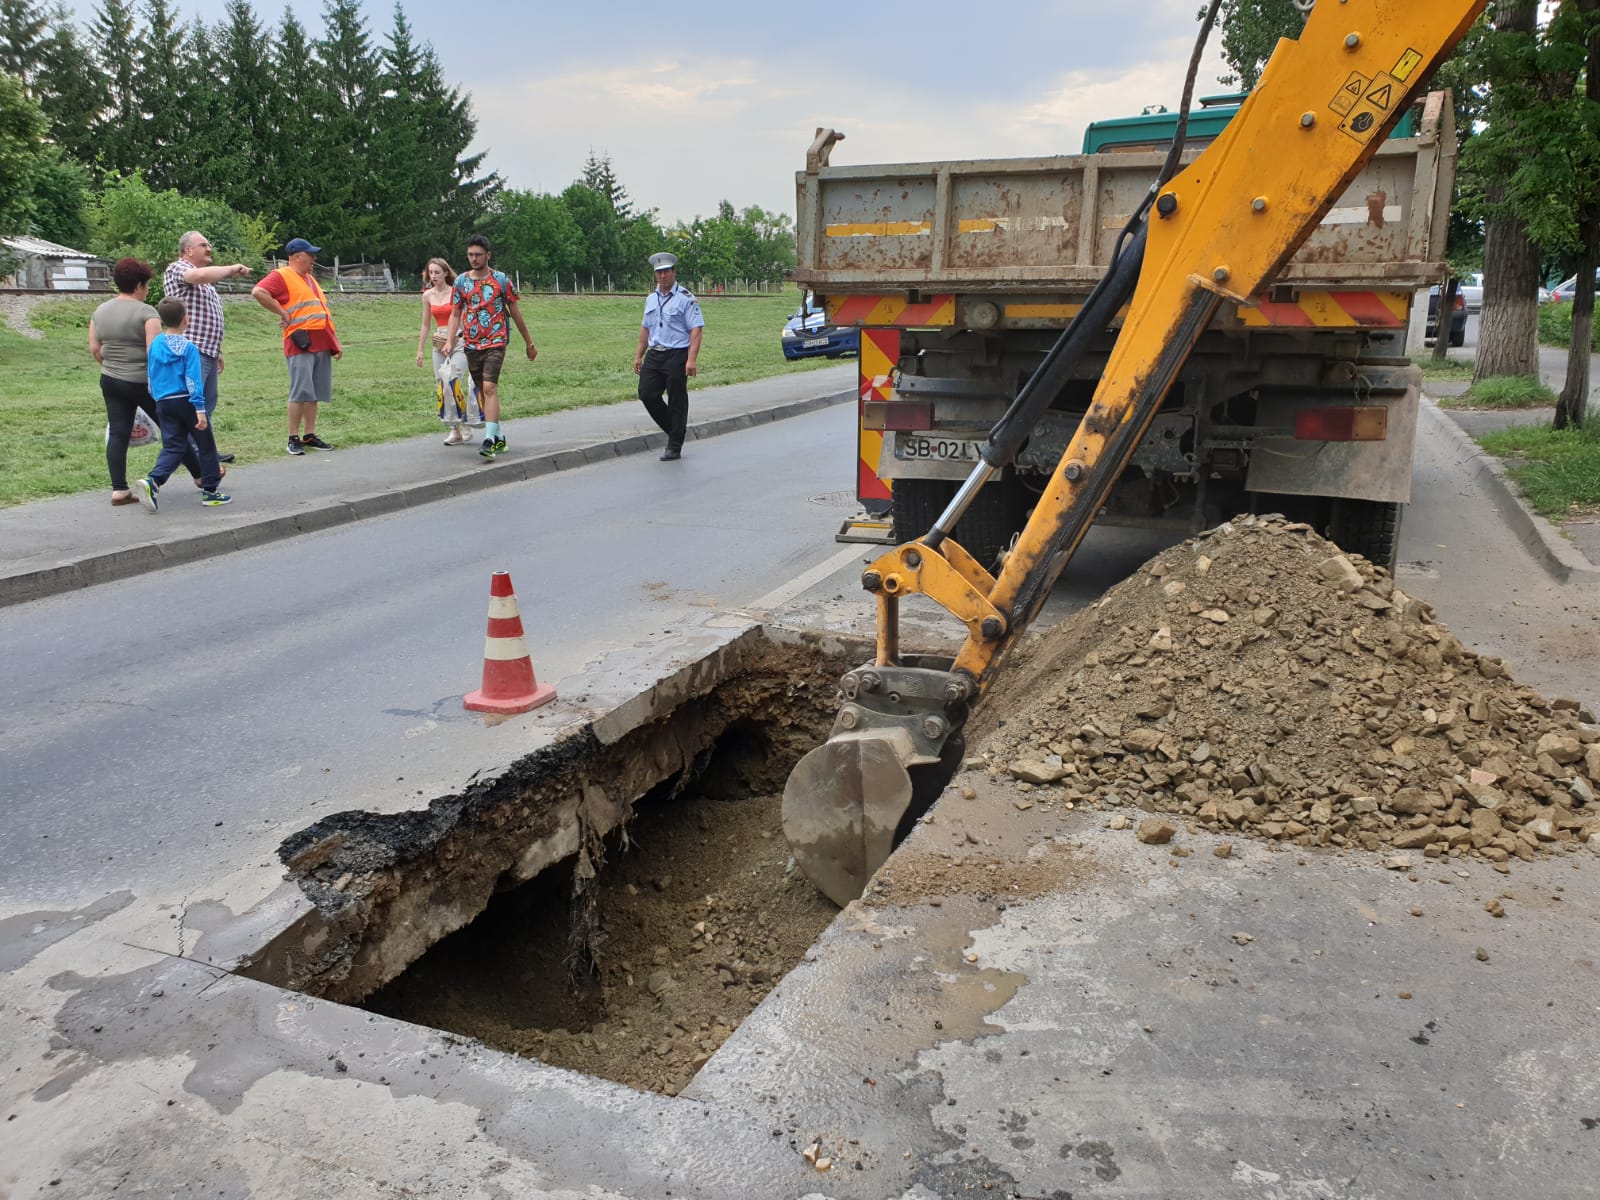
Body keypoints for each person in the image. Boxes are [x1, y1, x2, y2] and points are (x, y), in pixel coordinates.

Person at [444, 234, 536, 460]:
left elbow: (515, 312)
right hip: (471, 343)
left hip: (496, 341)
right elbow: (455, 313)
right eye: (470, 255)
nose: (473, 259)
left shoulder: (501, 280)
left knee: (489, 388)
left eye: (478, 255)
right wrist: (449, 340)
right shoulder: (461, 281)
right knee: (482, 391)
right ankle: (499, 436)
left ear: (488, 255)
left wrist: (529, 342)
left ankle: (488, 440)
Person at [163, 231, 252, 463]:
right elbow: (199, 275)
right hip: (190, 350)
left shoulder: (204, 281)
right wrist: (231, 268)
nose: (209, 248)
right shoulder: (177, 268)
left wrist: (217, 350)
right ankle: (192, 453)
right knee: (192, 403)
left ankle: (205, 451)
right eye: (203, 245)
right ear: (188, 250)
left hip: (207, 350)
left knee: (206, 403)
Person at [134, 298, 230, 511]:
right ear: (186, 319)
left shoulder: (155, 345)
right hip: (186, 401)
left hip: (163, 402)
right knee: (205, 445)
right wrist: (200, 410)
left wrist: (156, 397)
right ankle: (210, 491)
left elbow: (151, 373)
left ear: (162, 320)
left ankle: (153, 480)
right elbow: (193, 380)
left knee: (174, 446)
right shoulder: (189, 348)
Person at [251, 238, 341, 455]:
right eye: (310, 255)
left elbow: (321, 312)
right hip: (300, 341)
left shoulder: (310, 279)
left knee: (314, 392)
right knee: (300, 391)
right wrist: (282, 312)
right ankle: (293, 438)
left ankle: (309, 435)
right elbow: (258, 292)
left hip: (320, 341)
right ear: (297, 256)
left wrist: (334, 342)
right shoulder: (282, 275)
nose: (314, 259)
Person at [89, 257, 161, 506]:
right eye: (147, 285)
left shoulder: (100, 311)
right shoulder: (147, 312)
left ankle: (119, 490)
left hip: (110, 378)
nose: (147, 290)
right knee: (172, 428)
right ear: (140, 285)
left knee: (118, 433)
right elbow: (155, 353)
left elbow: (95, 348)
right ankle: (201, 476)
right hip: (141, 380)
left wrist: (111, 367)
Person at [633, 251, 703, 461]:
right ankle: (675, 431)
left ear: (673, 272)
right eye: (659, 272)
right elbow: (645, 329)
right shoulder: (651, 299)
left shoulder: (686, 298)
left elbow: (696, 329)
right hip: (655, 353)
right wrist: (638, 355)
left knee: (676, 399)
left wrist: (691, 359)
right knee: (646, 393)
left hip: (677, 353)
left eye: (666, 271)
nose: (662, 276)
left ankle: (674, 445)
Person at [415, 257, 481, 445]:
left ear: (445, 273)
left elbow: (465, 318)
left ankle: (465, 421)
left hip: (458, 341)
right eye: (431, 272)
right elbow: (426, 324)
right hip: (439, 343)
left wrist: (465, 339)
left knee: (453, 381)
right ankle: (455, 429)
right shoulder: (427, 296)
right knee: (443, 386)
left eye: (437, 272)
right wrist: (420, 350)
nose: (433, 276)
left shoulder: (455, 292)